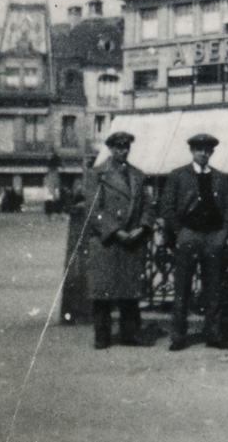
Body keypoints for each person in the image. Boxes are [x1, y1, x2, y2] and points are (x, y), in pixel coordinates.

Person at [79, 130, 156, 349]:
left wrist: (142, 227)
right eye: (118, 147)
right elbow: (93, 210)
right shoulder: (97, 174)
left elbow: (148, 206)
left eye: (126, 147)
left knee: (129, 291)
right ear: (110, 148)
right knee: (103, 292)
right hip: (107, 241)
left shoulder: (138, 175)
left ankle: (130, 334)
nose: (122, 151)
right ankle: (102, 336)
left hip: (132, 239)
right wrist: (115, 231)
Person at [159, 133, 228, 351]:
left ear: (212, 152)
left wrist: (223, 234)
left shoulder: (220, 178)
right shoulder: (178, 175)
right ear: (192, 151)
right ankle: (178, 336)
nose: (203, 153)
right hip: (189, 234)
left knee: (213, 288)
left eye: (207, 150)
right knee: (182, 288)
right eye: (199, 149)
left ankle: (214, 334)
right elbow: (167, 207)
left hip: (213, 237)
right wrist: (180, 232)